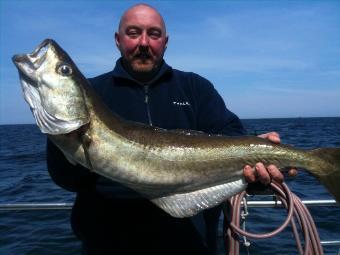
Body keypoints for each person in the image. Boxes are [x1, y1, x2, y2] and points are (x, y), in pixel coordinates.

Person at [47, 4, 296, 255]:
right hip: (107, 246)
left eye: (153, 34)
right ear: (118, 40)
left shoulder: (196, 89)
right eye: (133, 33)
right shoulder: (94, 92)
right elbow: (65, 179)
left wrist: (257, 177)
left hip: (191, 246)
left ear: (165, 42)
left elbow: (234, 146)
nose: (144, 42)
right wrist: (68, 147)